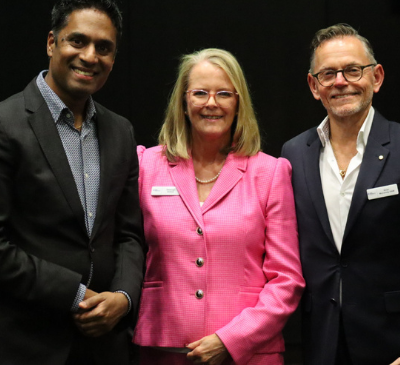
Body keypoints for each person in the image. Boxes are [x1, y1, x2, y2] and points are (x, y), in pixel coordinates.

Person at [133, 48, 304, 365]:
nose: (211, 103)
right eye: (200, 93)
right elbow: (127, 250)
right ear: (184, 101)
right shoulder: (147, 165)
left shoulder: (270, 172)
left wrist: (231, 340)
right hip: (162, 350)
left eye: (224, 93)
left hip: (249, 355)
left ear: (238, 103)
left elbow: (286, 280)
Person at [0, 0, 144, 365]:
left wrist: (123, 297)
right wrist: (76, 295)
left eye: (104, 47)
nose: (90, 57)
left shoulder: (121, 131)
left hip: (107, 345)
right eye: (77, 41)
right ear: (52, 43)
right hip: (28, 343)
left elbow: (129, 233)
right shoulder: (6, 124)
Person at [281, 24, 400, 365]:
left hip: (391, 343)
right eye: (328, 73)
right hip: (320, 342)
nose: (340, 81)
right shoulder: (293, 154)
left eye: (352, 70)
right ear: (313, 85)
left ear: (376, 77)